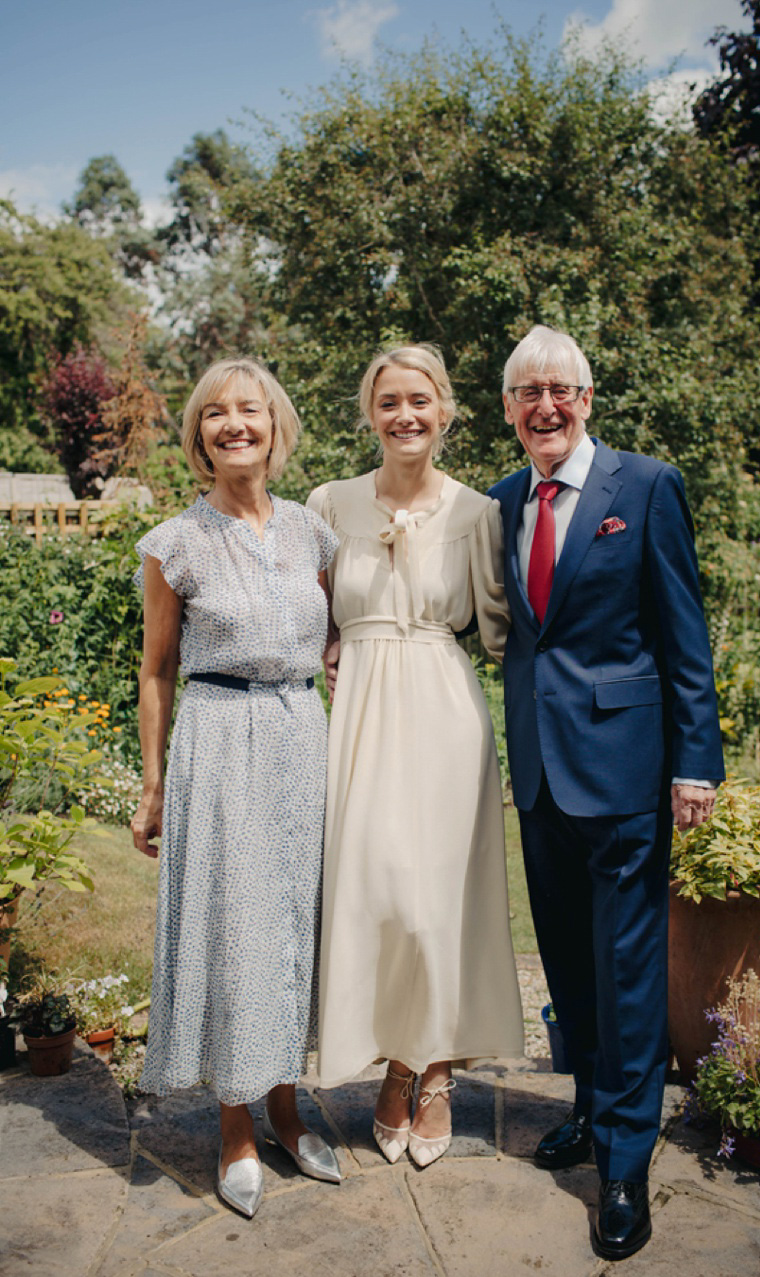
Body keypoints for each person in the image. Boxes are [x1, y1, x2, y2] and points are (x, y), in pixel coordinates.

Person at [489, 326, 724, 1260]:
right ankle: (589, 1108)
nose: (544, 406)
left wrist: (694, 760)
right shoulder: (504, 499)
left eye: (559, 388)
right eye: (525, 392)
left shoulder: (647, 486)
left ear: (586, 397)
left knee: (627, 971)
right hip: (542, 774)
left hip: (626, 769)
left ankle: (624, 1162)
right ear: (507, 409)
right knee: (569, 963)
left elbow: (682, 634)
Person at [130, 356, 342, 1219]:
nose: (233, 425)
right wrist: (151, 784)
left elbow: (333, 641)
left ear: (274, 425)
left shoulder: (311, 532)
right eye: (214, 414)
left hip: (301, 735)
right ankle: (235, 1126)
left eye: (248, 410)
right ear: (200, 436)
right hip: (218, 738)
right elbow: (155, 672)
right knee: (230, 924)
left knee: (294, 921)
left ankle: (288, 1108)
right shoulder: (173, 543)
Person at [308, 344, 524, 1168]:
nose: (405, 414)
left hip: (442, 712)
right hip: (359, 711)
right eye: (388, 400)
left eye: (419, 400)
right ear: (369, 412)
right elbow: (309, 613)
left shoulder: (476, 511)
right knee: (374, 891)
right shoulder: (327, 503)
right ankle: (388, 1050)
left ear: (445, 410)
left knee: (435, 901)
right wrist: (325, 649)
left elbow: (504, 630)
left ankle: (425, 1070)